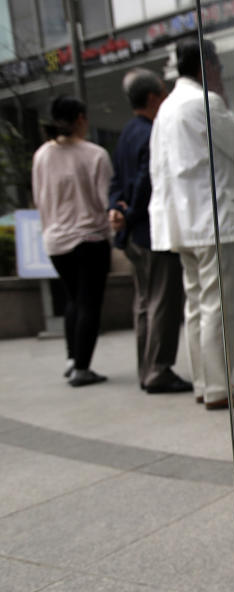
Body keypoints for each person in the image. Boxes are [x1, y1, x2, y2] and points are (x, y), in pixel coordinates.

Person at [149, 38, 234, 410]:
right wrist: (222, 99)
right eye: (218, 68)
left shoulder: (166, 109)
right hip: (218, 221)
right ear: (207, 67)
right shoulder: (206, 103)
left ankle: (205, 382)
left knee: (197, 305)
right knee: (221, 307)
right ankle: (219, 388)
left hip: (181, 223)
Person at [108, 68, 192, 394]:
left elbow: (118, 180)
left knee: (143, 303)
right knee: (162, 302)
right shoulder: (150, 132)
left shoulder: (127, 132)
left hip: (132, 234)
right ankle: (159, 369)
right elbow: (146, 181)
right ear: (154, 97)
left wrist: (118, 209)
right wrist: (128, 214)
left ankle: (147, 368)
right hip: (150, 231)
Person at [32, 96, 113, 387]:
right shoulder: (95, 154)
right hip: (90, 237)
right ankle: (82, 368)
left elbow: (40, 198)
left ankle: (72, 358)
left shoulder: (41, 155)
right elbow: (106, 200)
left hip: (56, 240)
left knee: (73, 299)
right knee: (89, 302)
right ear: (81, 118)